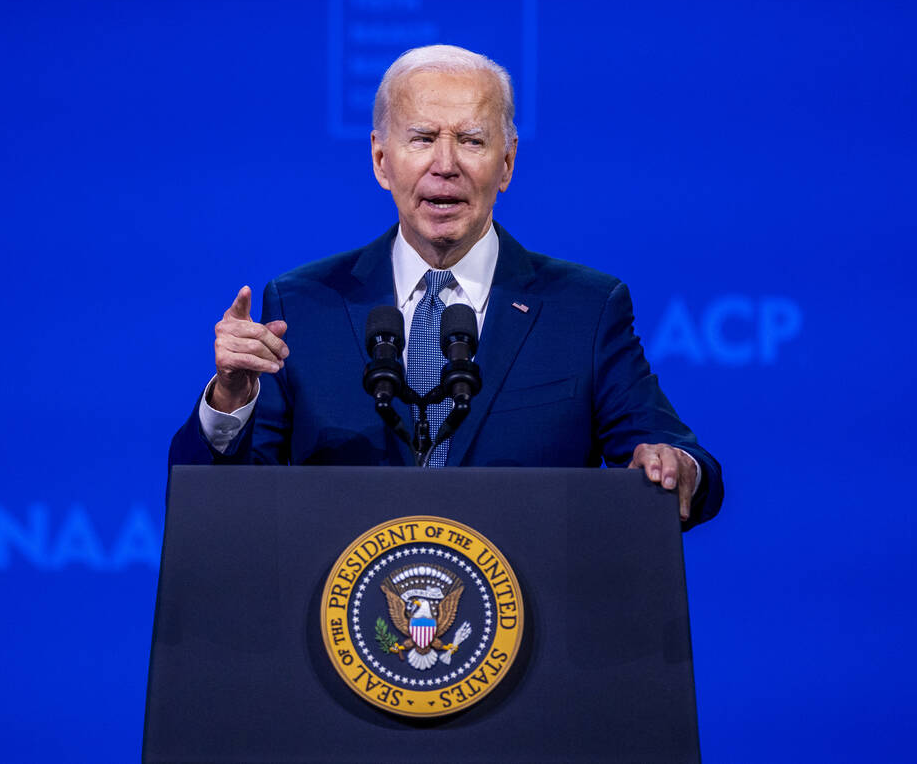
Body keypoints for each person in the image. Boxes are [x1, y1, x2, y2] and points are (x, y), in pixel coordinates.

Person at [169, 45, 723, 527]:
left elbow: (678, 458)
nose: (445, 164)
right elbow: (224, 507)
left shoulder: (585, 308)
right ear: (381, 160)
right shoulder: (304, 304)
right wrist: (229, 402)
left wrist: (677, 466)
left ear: (506, 163)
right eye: (423, 138)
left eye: (472, 141)